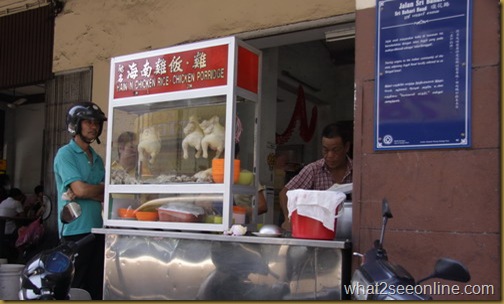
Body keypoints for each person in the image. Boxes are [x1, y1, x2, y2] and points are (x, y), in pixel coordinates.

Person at [53, 101, 107, 300]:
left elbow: (103, 194)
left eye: (97, 123)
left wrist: (90, 191)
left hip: (97, 229)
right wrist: (89, 190)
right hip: (75, 232)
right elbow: (80, 190)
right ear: (76, 124)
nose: (94, 127)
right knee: (75, 287)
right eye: (88, 122)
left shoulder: (97, 158)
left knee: (95, 286)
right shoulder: (65, 154)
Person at [279, 122, 353, 231]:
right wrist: (288, 218)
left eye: (335, 150)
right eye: (325, 150)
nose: (330, 155)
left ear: (346, 147)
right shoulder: (314, 170)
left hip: (350, 230)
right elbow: (285, 193)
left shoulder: (358, 171)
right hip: (319, 230)